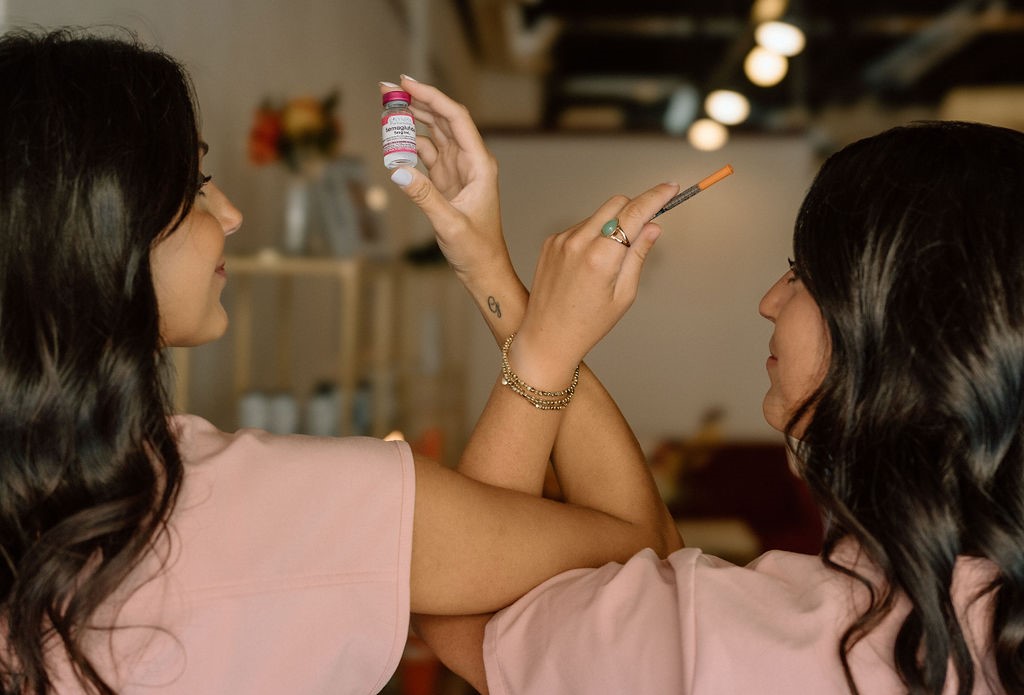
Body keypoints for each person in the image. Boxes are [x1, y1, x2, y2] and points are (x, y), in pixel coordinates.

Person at [0, 29, 684, 694]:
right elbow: (641, 546)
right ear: (98, 231)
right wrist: (514, 301)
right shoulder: (278, 503)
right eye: (196, 182)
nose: (231, 213)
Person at [393, 77, 1024, 694]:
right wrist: (490, 272)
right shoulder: (984, 614)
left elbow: (464, 603)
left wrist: (544, 349)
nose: (770, 302)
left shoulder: (750, 637)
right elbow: (653, 574)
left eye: (801, 274)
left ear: (900, 329)